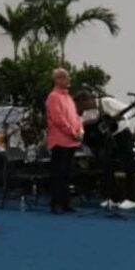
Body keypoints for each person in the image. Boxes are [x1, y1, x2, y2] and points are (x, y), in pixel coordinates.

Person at [75, 91, 135, 210]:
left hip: (122, 134)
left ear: (87, 100)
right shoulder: (87, 113)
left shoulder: (107, 102)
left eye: (82, 105)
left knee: (128, 164)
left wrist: (118, 119)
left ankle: (132, 198)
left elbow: (128, 110)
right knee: (106, 166)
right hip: (108, 138)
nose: (81, 108)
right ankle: (114, 197)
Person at [46, 68, 83, 213]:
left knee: (67, 174)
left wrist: (80, 130)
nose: (69, 80)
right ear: (57, 79)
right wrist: (72, 132)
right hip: (60, 141)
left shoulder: (68, 97)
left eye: (68, 77)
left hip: (71, 141)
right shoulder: (53, 97)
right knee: (58, 174)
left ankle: (66, 203)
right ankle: (56, 204)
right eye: (65, 77)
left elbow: (76, 116)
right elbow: (58, 119)